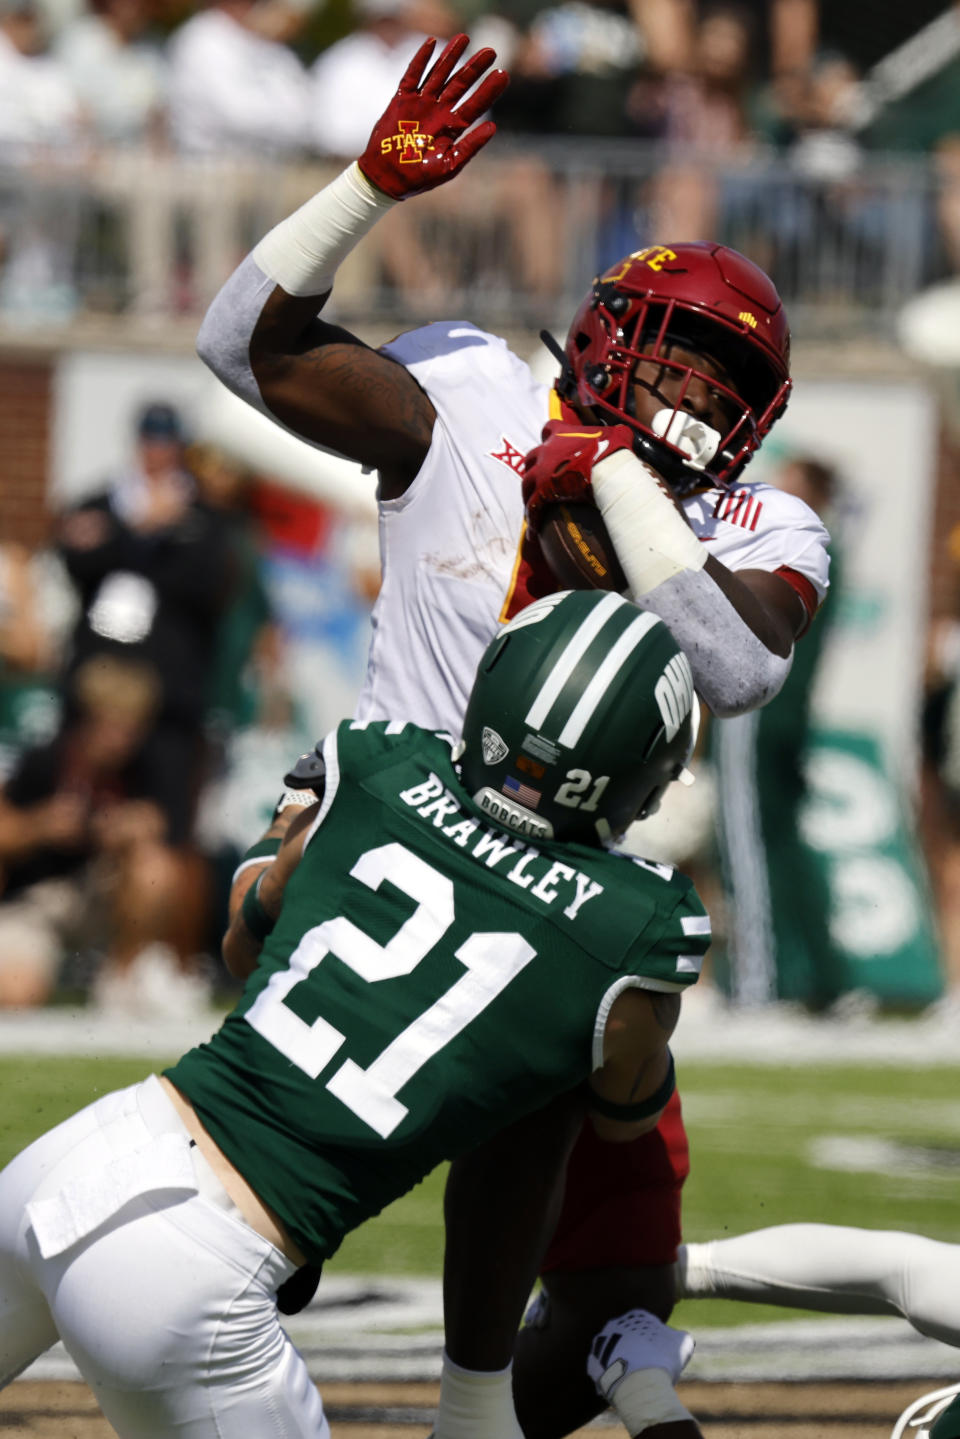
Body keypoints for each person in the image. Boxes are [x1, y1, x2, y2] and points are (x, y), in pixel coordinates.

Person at [196, 33, 829, 1438]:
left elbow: (732, 664)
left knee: (603, 1312)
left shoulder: (763, 524)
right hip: (379, 812)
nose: (702, 402)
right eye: (687, 362)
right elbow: (237, 344)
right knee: (270, 891)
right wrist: (363, 187)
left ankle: (481, 1395)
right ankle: (272, 1206)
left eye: (733, 393)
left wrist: (610, 480)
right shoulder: (477, 389)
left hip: (566, 888)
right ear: (610, 334)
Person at [0, 588, 712, 1439]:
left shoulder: (379, 763)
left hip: (87, 1152)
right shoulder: (636, 927)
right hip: (197, 1270)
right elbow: (622, 1116)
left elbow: (243, 942)